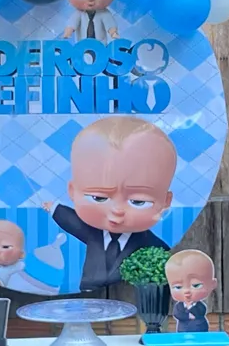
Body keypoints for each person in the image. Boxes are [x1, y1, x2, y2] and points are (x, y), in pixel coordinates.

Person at [42, 115, 175, 290]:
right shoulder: (93, 232)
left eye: (138, 201)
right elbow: (72, 221)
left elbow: (162, 261)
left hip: (128, 296)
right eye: (99, 198)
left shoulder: (151, 243)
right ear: (73, 192)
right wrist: (54, 208)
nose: (117, 210)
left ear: (165, 202)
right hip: (89, 291)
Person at [165, 249, 217, 332]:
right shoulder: (179, 306)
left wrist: (191, 309)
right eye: (178, 287)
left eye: (196, 285)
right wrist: (188, 316)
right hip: (183, 329)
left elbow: (201, 312)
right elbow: (177, 314)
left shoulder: (200, 305)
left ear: (212, 284)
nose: (186, 291)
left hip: (199, 328)